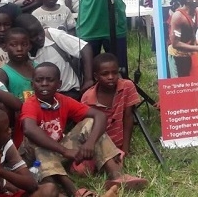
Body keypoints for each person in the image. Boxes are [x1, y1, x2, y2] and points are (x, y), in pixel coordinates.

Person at [18, 62, 147, 196]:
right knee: (38, 144)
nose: (44, 84)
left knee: (90, 122)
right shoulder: (31, 104)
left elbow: (100, 116)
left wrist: (90, 143)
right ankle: (74, 191)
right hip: (35, 160)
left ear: (59, 84)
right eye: (39, 80)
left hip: (59, 152)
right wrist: (65, 150)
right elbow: (29, 129)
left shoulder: (62, 100)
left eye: (50, 80)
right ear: (32, 84)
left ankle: (117, 176)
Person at [0, 106, 61, 197]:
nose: (10, 130)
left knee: (48, 189)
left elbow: (31, 185)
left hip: (1, 193)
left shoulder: (5, 144)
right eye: (6, 129)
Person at [16, 14, 95, 99]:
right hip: (42, 98)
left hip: (70, 94)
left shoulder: (52, 35)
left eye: (41, 31)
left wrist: (88, 79)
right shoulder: (21, 52)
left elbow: (84, 48)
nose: (40, 37)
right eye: (34, 36)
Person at [81, 53, 140, 155]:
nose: (111, 77)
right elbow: (86, 127)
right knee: (80, 170)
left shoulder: (127, 86)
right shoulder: (87, 98)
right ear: (96, 76)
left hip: (118, 141)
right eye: (105, 74)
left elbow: (128, 117)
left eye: (115, 73)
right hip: (98, 143)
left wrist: (125, 149)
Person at [0, 28, 35, 103]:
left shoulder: (38, 68)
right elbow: (2, 102)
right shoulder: (2, 73)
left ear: (30, 46)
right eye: (14, 45)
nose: (19, 49)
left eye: (24, 44)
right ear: (4, 47)